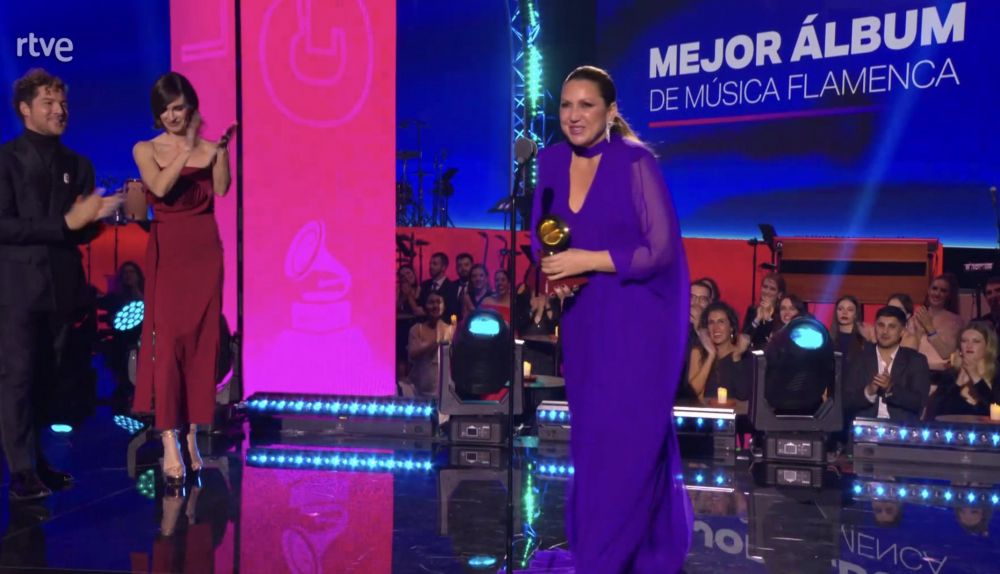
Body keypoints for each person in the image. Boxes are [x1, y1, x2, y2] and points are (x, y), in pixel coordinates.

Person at [533, 65, 691, 573]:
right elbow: (543, 234)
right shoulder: (550, 161)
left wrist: (588, 259)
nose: (573, 115)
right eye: (566, 105)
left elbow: (659, 251)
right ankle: (605, 546)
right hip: (585, 320)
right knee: (593, 439)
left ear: (610, 111)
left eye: (586, 105)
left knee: (629, 436)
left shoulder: (634, 162)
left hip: (637, 322)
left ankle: (609, 556)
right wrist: (555, 271)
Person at [0, 69, 121, 500]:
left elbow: (78, 231)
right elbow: (5, 226)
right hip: (17, 288)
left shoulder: (78, 164)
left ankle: (37, 461)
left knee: (49, 378)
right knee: (17, 378)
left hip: (61, 288)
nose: (59, 110)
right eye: (48, 103)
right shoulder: (7, 160)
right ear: (25, 109)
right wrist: (66, 223)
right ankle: (20, 470)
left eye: (63, 103)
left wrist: (96, 218)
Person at [132, 72, 234, 487]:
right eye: (166, 110)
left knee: (201, 345)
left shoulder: (208, 148)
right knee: (170, 342)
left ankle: (191, 435)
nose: (173, 116)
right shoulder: (145, 148)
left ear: (191, 107)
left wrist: (220, 153)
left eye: (179, 107)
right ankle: (168, 437)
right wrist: (187, 150)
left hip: (205, 251)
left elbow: (222, 190)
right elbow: (159, 186)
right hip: (169, 251)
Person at [845, 306, 930, 423]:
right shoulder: (859, 358)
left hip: (902, 427)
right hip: (865, 426)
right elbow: (846, 402)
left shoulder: (916, 360)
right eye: (881, 325)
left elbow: (919, 403)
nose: (885, 331)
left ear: (902, 331)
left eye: (892, 327)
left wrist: (891, 388)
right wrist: (868, 392)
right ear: (875, 327)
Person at [926, 322, 1000, 419]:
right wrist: (958, 384)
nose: (969, 345)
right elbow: (934, 412)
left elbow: (994, 409)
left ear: (988, 346)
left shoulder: (996, 374)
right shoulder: (951, 374)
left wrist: (976, 377)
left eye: (976, 341)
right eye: (964, 341)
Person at [406, 292, 451, 397]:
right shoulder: (416, 329)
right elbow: (412, 355)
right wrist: (435, 341)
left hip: (443, 393)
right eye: (431, 302)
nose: (435, 306)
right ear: (425, 306)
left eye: (438, 302)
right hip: (419, 392)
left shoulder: (449, 330)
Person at [742, 272, 784, 349]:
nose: (767, 292)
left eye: (772, 289)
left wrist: (768, 319)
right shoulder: (752, 310)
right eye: (765, 287)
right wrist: (757, 319)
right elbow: (744, 338)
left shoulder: (781, 313)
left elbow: (773, 341)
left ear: (779, 294)